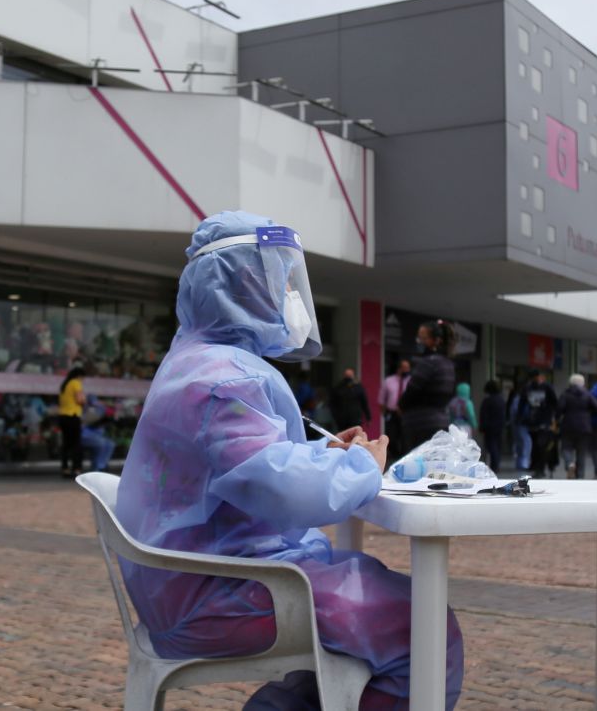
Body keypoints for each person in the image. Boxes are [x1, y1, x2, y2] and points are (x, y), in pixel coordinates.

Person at [115, 212, 463, 710]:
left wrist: (323, 453)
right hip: (225, 593)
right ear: (239, 285)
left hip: (198, 581)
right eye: (276, 277)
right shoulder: (222, 378)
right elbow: (280, 490)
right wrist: (362, 465)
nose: (286, 293)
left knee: (363, 635)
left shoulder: (198, 361)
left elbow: (245, 464)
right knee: (425, 629)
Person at [398, 320, 457, 450]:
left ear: (436, 341)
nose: (419, 341)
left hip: (419, 424)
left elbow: (412, 390)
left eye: (423, 338)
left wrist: (401, 405)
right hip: (440, 422)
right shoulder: (448, 364)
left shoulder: (428, 363)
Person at [557, 374, 597, 479]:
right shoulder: (587, 394)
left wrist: (557, 420)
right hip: (584, 427)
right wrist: (588, 414)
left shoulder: (566, 394)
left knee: (566, 448)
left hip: (568, 425)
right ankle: (580, 476)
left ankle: (569, 464)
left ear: (570, 383)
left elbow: (559, 409)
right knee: (581, 452)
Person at [57, 365, 86, 478]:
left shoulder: (65, 384)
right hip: (73, 416)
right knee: (76, 444)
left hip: (63, 416)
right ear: (79, 376)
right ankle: (76, 468)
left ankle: (65, 468)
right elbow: (80, 400)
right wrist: (84, 399)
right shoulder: (76, 383)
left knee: (66, 444)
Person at [378, 359, 410, 458]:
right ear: (399, 369)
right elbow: (382, 398)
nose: (406, 370)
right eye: (404, 368)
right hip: (392, 413)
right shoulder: (389, 381)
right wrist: (384, 413)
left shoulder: (411, 381)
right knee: (391, 437)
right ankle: (396, 456)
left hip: (407, 413)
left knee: (406, 437)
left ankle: (404, 456)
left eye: (408, 368)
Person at [329, 367, 371, 432]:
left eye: (350, 375)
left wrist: (368, 417)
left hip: (355, 419)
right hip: (342, 420)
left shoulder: (358, 388)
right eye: (347, 375)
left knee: (355, 436)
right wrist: (336, 416)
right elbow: (332, 403)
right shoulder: (339, 388)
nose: (348, 378)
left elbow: (364, 403)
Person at [478, 379, 506, 473]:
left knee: (491, 446)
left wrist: (482, 427)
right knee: (497, 446)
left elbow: (483, 415)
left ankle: (494, 466)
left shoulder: (487, 400)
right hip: (499, 426)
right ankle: (496, 465)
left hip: (489, 427)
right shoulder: (501, 400)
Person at [507, 382, 532, 471]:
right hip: (521, 424)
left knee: (521, 444)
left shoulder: (517, 399)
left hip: (518, 424)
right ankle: (523, 463)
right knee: (525, 443)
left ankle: (521, 463)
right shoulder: (520, 400)